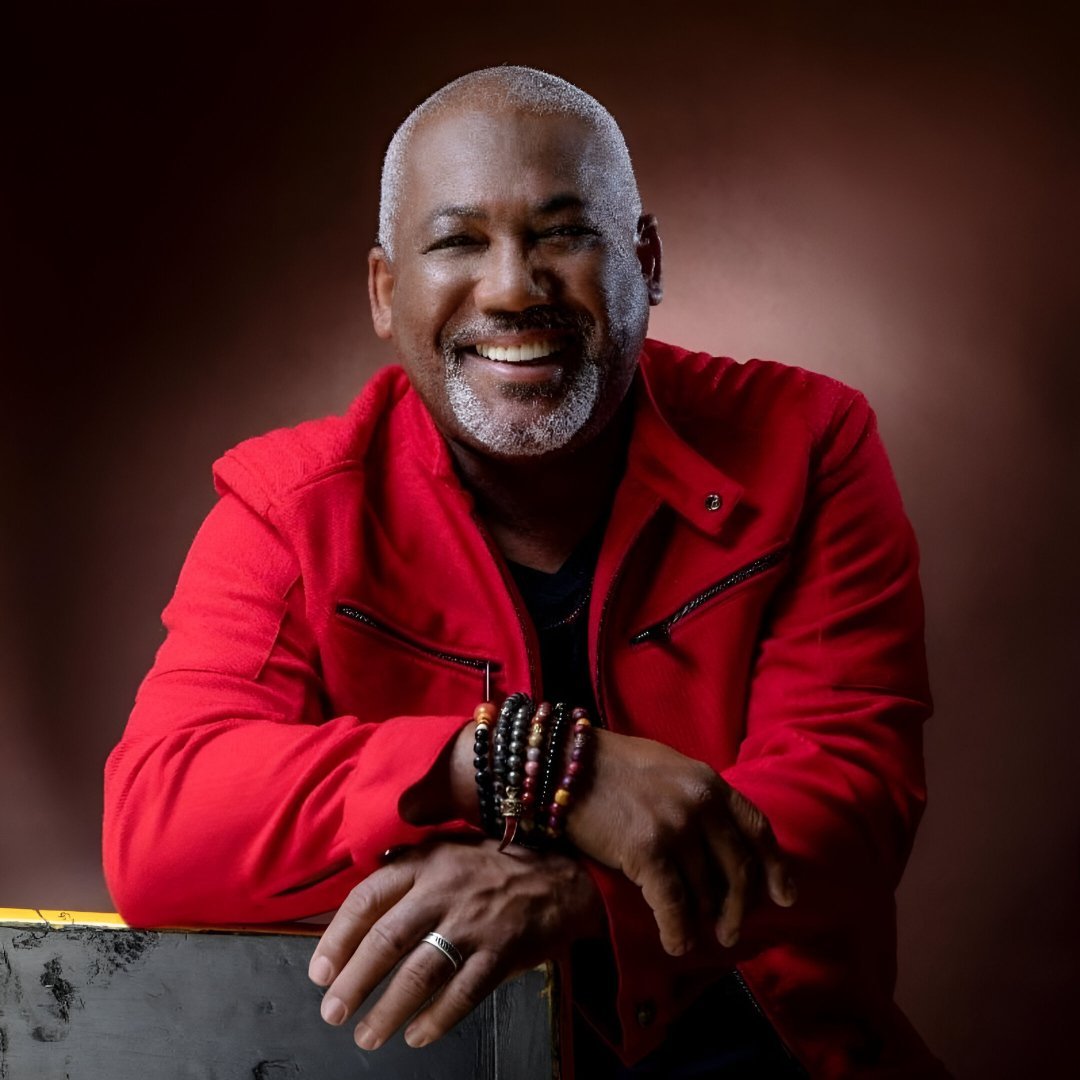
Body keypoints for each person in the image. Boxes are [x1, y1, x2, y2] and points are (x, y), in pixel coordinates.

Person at [103, 66, 947, 1077]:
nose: (513, 288)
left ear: (646, 261)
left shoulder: (808, 443)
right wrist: (523, 766)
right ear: (384, 292)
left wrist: (575, 897)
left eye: (564, 233)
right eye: (458, 242)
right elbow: (162, 831)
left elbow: (851, 802)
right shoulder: (289, 508)